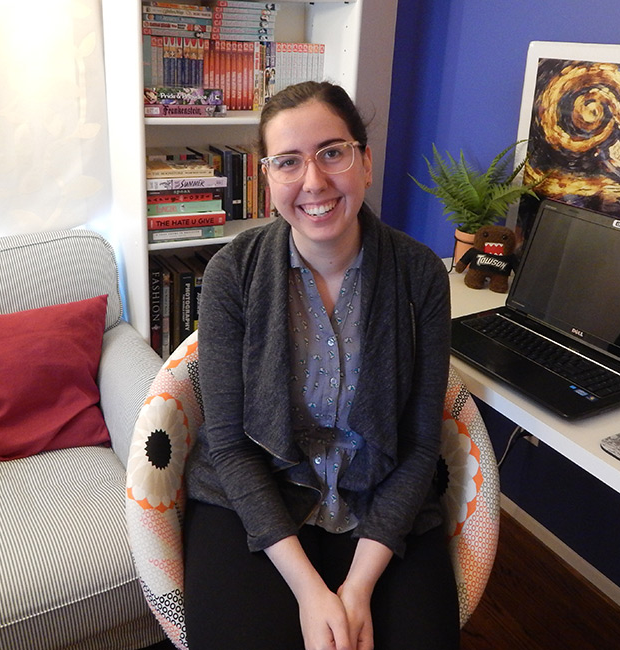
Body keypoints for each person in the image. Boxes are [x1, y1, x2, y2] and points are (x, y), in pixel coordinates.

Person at [183, 80, 458, 650]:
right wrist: (311, 592)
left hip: (378, 504)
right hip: (257, 501)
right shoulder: (230, 276)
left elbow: (418, 448)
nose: (314, 182)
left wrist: (357, 589)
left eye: (332, 152)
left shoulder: (421, 277)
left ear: (365, 161)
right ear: (268, 178)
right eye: (289, 162)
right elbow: (231, 447)